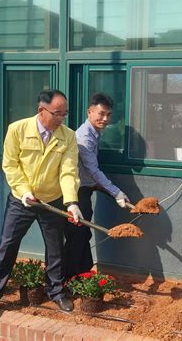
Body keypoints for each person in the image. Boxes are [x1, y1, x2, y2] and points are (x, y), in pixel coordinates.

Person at [0, 89, 83, 320]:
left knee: (56, 248)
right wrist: (24, 191)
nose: (61, 118)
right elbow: (11, 165)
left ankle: (56, 291)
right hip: (21, 200)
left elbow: (68, 172)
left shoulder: (68, 136)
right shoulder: (17, 130)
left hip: (52, 201)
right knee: (7, 246)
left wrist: (71, 202)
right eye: (57, 113)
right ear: (41, 111)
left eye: (64, 114)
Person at [64, 93, 130, 279]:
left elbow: (90, 173)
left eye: (108, 115)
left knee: (83, 235)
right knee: (77, 236)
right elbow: (93, 170)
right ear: (89, 112)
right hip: (76, 193)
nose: (105, 119)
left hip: (85, 189)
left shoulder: (94, 133)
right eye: (101, 114)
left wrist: (107, 189)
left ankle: (83, 275)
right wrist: (116, 192)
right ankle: (67, 279)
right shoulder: (85, 137)